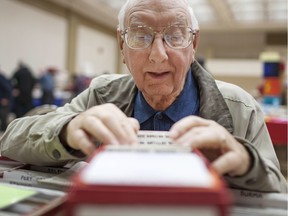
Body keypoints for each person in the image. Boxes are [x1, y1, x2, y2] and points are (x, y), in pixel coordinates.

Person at [0, 0, 287, 193]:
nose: (158, 55)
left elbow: (278, 189)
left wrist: (247, 164)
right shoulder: (101, 95)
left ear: (194, 44)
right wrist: (66, 131)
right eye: (140, 35)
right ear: (121, 46)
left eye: (175, 35)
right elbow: (11, 139)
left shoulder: (239, 106)